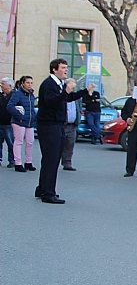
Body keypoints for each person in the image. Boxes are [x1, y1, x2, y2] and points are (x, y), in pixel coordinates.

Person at [35, 58, 94, 204]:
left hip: (56, 125)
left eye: (66, 67)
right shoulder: (49, 84)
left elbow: (67, 98)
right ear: (54, 69)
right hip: (49, 126)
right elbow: (51, 102)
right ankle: (48, 193)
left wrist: (85, 91)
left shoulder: (58, 84)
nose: (66, 70)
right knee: (52, 159)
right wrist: (66, 91)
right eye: (63, 68)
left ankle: (42, 188)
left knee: (50, 159)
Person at [7, 76, 37, 172]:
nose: (30, 85)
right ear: (22, 83)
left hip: (29, 122)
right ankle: (18, 163)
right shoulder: (17, 94)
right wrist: (20, 116)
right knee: (18, 141)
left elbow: (32, 108)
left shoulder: (31, 94)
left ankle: (28, 162)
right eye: (28, 83)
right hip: (19, 122)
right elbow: (10, 106)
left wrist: (34, 117)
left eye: (31, 83)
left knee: (30, 142)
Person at [61, 86, 83, 172]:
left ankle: (67, 163)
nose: (73, 88)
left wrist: (78, 118)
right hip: (62, 124)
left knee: (70, 145)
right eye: (71, 86)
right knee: (58, 144)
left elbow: (79, 108)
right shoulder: (63, 96)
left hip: (72, 125)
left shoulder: (76, 98)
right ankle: (54, 162)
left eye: (74, 87)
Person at [0, 77, 16, 168]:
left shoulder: (14, 96)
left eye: (3, 84)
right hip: (0, 122)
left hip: (9, 123)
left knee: (11, 143)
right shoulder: (1, 95)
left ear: (10, 86)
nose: (1, 85)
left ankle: (12, 160)